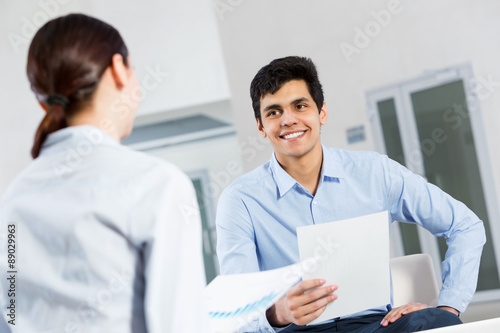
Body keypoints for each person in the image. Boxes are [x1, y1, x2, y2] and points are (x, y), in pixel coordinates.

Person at [216, 56, 485, 332]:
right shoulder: (240, 201)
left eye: (300, 106)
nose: (288, 120)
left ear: (321, 112)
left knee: (437, 323)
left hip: (375, 326)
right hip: (293, 330)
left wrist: (448, 307)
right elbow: (238, 311)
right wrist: (278, 313)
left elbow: (465, 226)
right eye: (273, 112)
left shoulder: (375, 172)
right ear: (261, 127)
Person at [0, 14, 207, 333]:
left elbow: (10, 316)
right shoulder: (156, 185)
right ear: (119, 70)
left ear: (44, 101)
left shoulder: (13, 199)